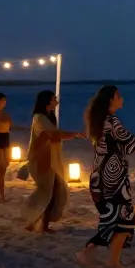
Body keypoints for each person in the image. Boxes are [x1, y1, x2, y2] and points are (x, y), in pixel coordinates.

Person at [75, 86, 135, 268]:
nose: (122, 99)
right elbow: (131, 142)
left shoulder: (98, 121)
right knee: (124, 218)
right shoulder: (112, 121)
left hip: (99, 177)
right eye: (119, 96)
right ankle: (105, 259)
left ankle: (102, 257)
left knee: (113, 219)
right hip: (113, 179)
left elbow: (119, 145)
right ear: (110, 100)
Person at [21, 91, 85, 234]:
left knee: (51, 191)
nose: (57, 101)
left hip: (51, 159)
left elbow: (56, 137)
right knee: (48, 191)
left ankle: (35, 223)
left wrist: (73, 135)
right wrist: (74, 134)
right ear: (47, 102)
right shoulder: (39, 118)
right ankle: (38, 223)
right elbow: (52, 135)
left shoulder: (49, 117)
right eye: (54, 99)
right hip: (41, 159)